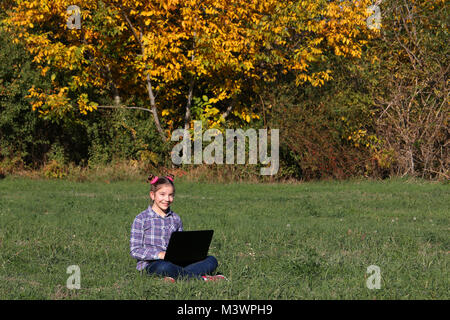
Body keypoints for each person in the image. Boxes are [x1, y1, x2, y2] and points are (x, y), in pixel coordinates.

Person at [130, 174, 227, 282]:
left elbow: (181, 245)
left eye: (171, 195)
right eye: (162, 194)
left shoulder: (175, 218)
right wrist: (160, 255)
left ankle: (173, 278)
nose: (167, 199)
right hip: (152, 264)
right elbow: (135, 251)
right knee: (164, 267)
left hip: (176, 263)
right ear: (152, 195)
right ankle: (202, 279)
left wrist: (189, 253)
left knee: (211, 261)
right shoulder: (141, 219)